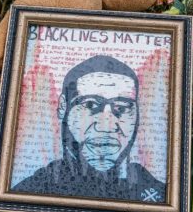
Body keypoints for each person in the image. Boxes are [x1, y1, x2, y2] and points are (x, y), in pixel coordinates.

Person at [12, 55, 166, 203]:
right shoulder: (31, 192)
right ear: (63, 107)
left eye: (122, 107)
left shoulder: (156, 194)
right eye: (90, 105)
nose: (107, 126)